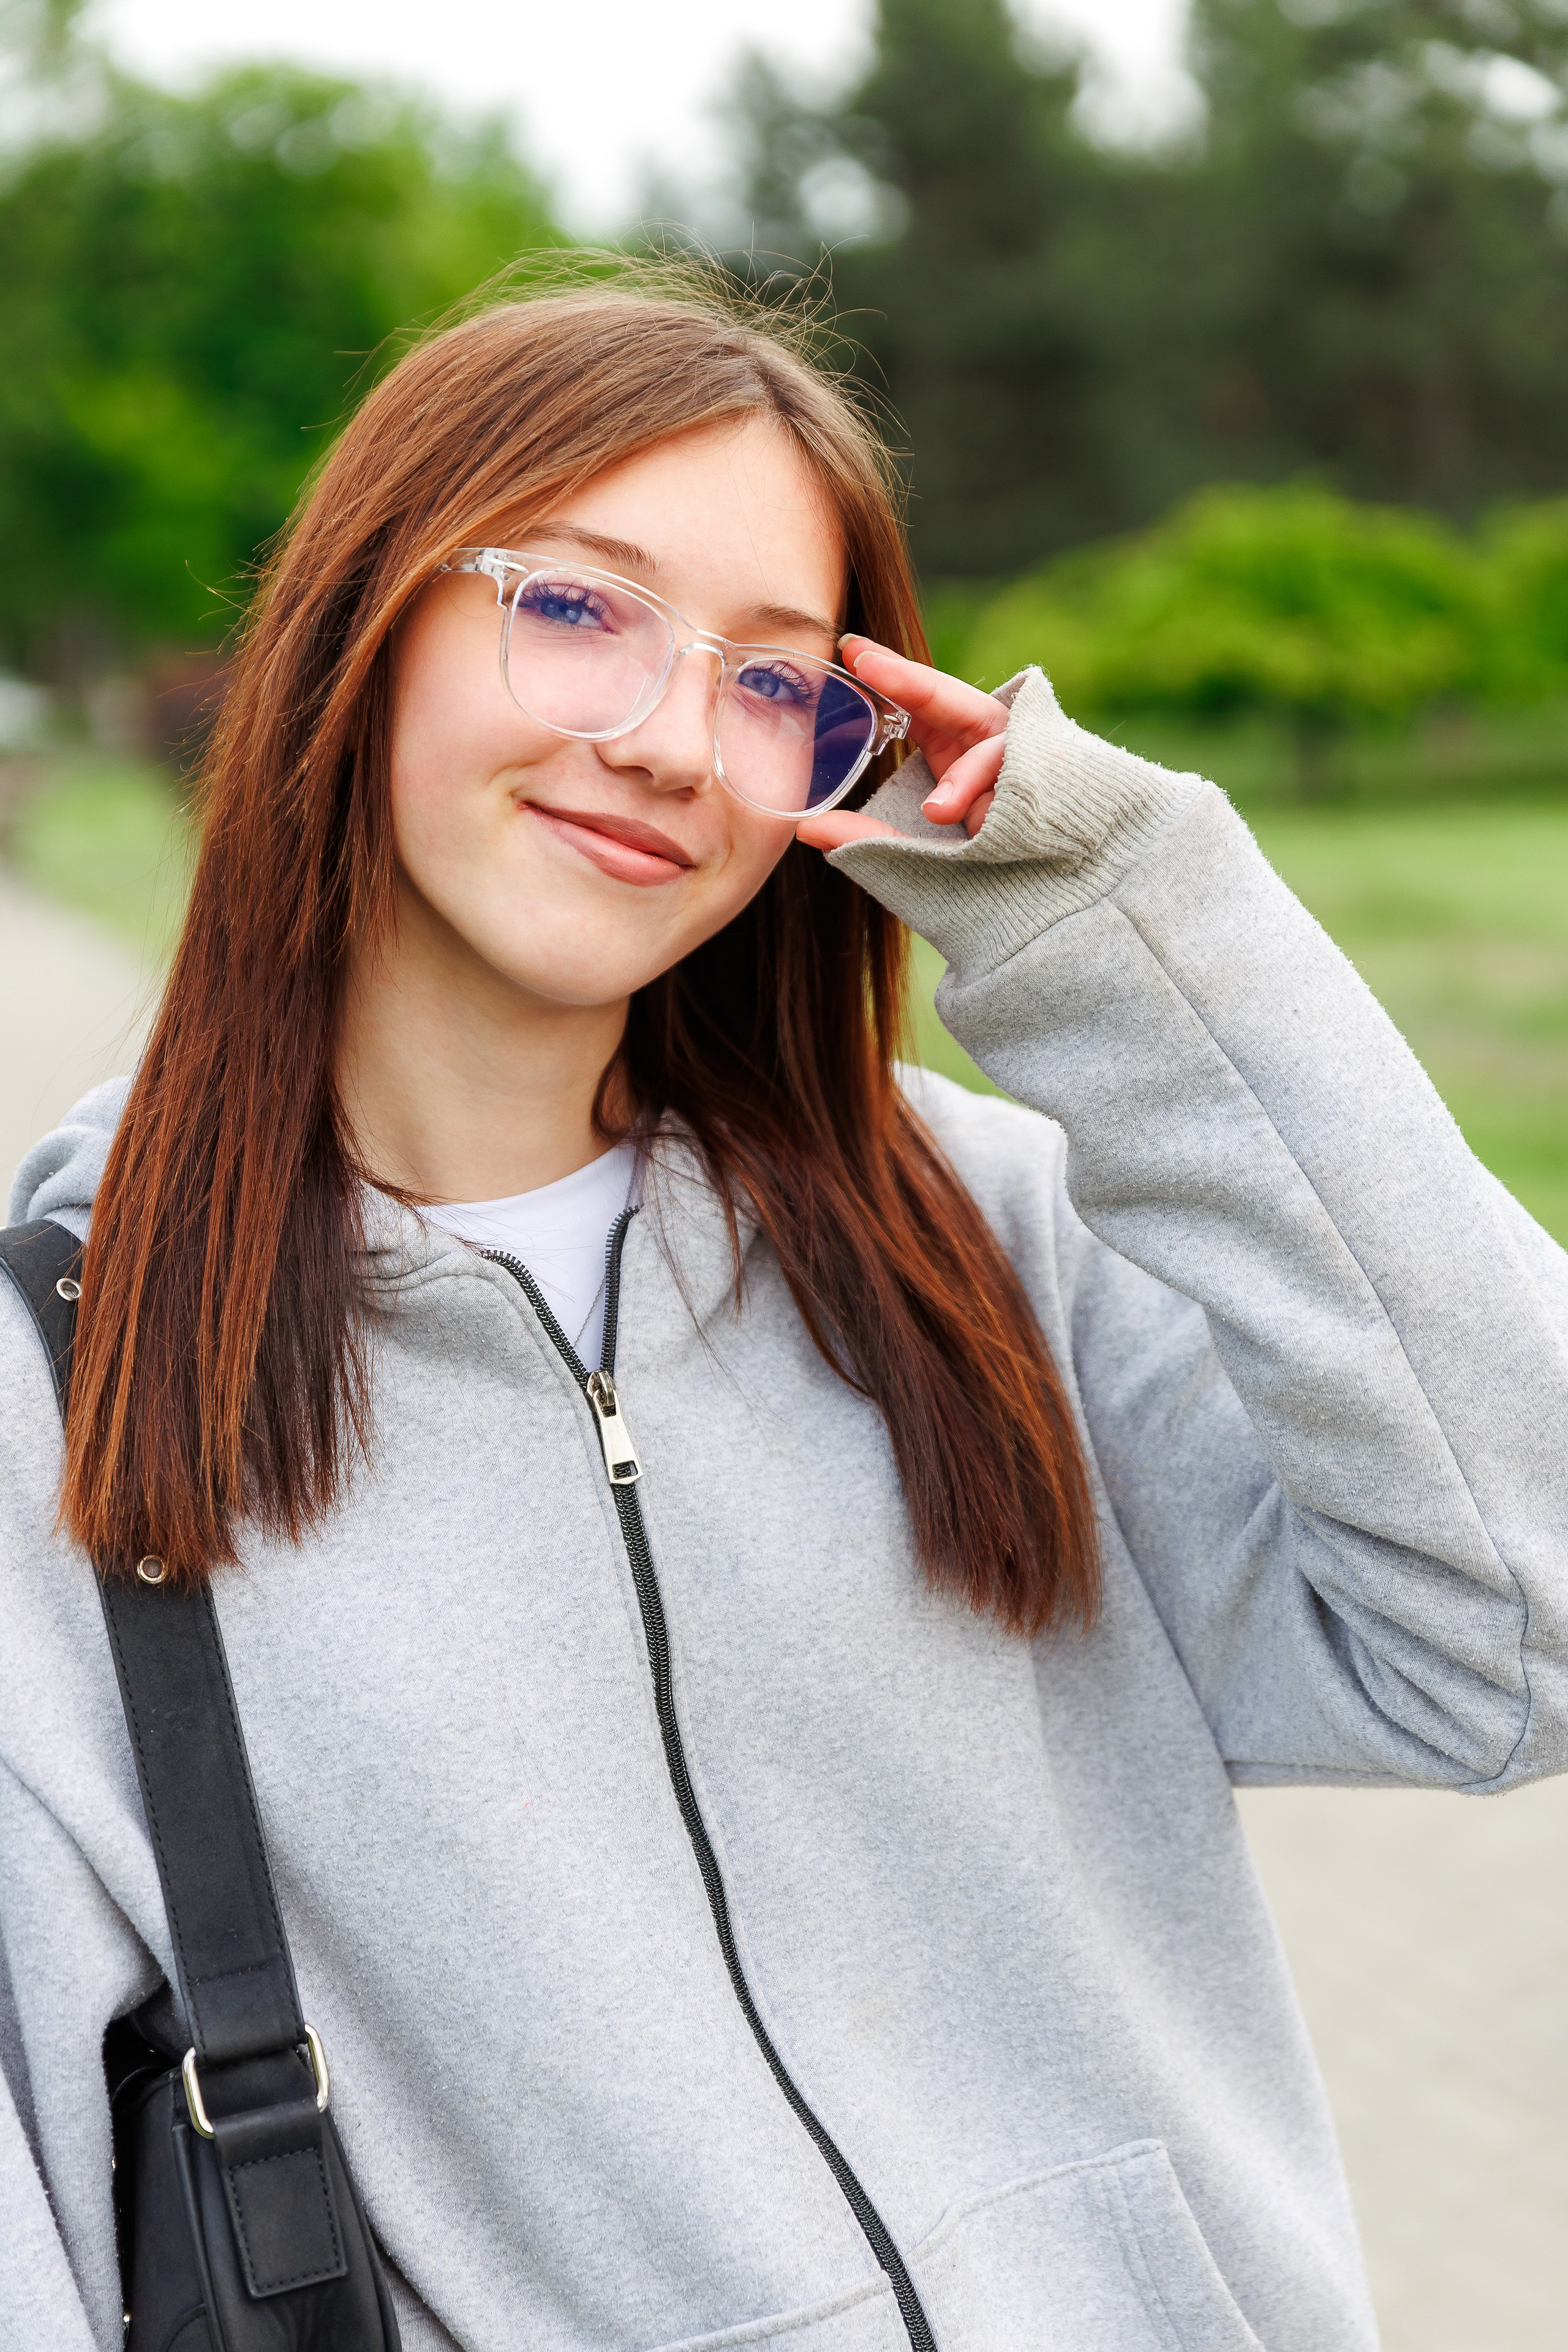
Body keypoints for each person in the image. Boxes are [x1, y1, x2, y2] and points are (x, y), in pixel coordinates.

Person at [3, 264, 1565, 2352]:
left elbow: (1518, 1635)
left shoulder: (979, 1244)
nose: (670, 743)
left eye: (769, 680)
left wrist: (1115, 919)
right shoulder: (57, 1398)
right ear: (364, 625)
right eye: (577, 608)